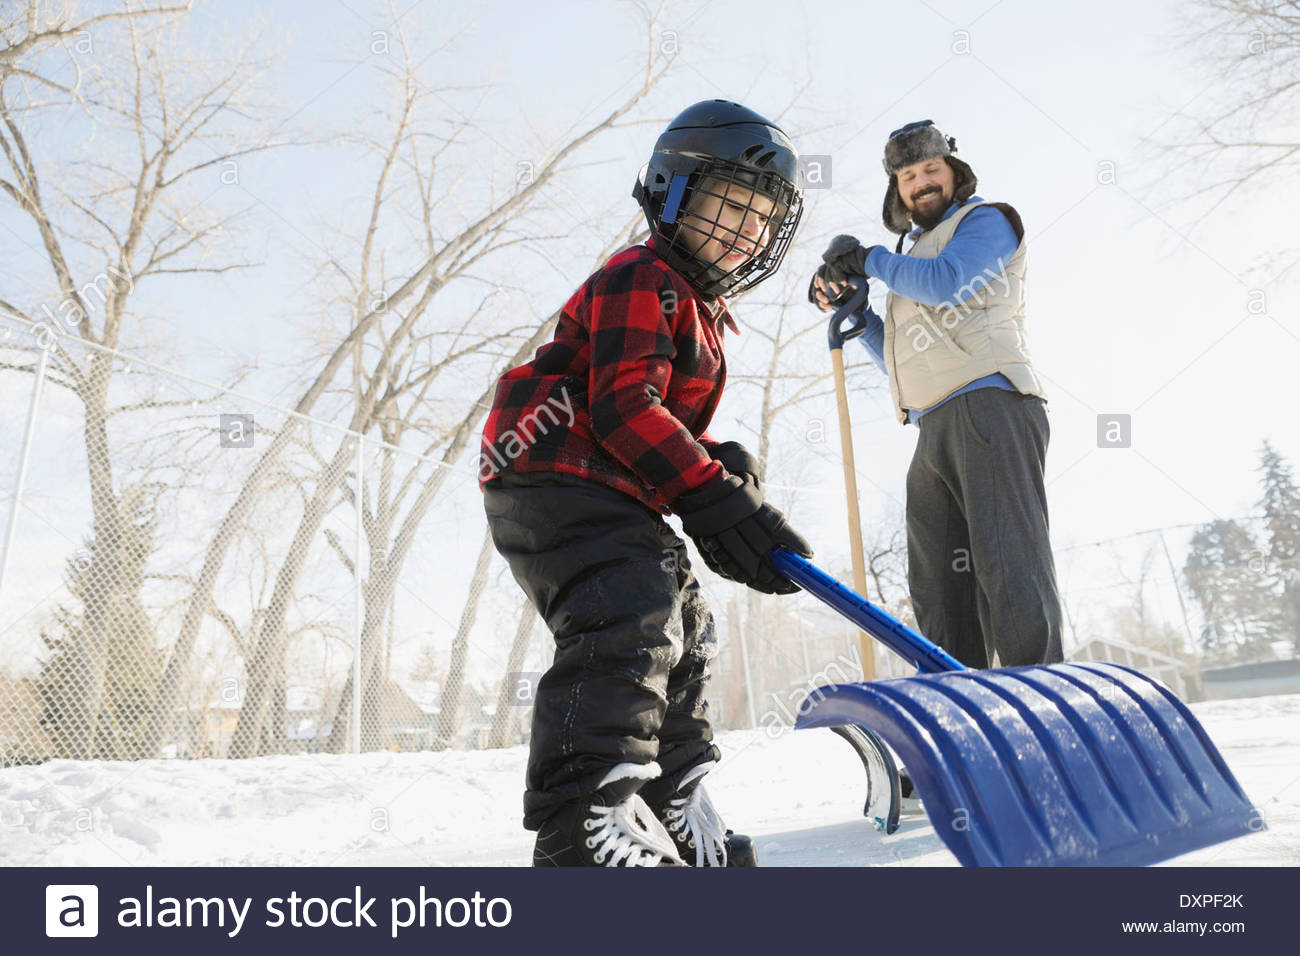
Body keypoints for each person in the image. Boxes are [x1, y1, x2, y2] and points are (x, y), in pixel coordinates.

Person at [480, 99, 813, 867]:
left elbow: (653, 415)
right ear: (673, 191)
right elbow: (625, 404)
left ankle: (667, 801)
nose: (746, 231)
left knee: (685, 622)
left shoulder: (701, 311)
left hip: (613, 484)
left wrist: (719, 466)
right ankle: (584, 825)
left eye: (763, 219)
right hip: (553, 471)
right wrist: (705, 491)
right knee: (627, 614)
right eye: (732, 204)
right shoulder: (644, 275)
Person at [809, 119, 1063, 670]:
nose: (920, 182)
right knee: (937, 586)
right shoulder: (912, 257)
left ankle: (1040, 702)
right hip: (933, 424)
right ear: (896, 191)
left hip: (991, 406)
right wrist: (860, 316)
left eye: (930, 169)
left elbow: (949, 283)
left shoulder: (986, 221)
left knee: (1009, 567)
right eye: (906, 176)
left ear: (954, 172)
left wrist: (870, 260)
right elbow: (904, 358)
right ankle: (961, 707)